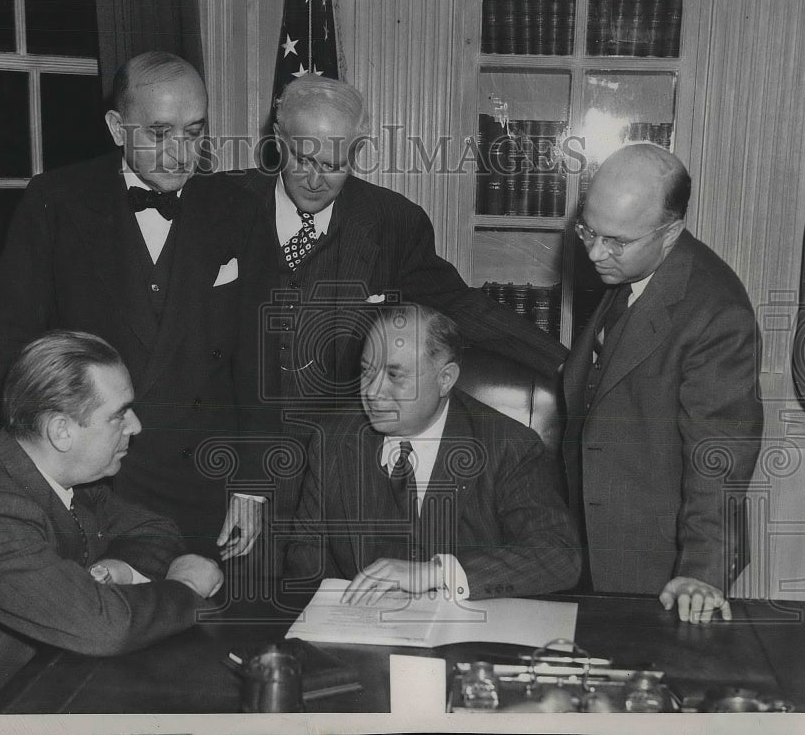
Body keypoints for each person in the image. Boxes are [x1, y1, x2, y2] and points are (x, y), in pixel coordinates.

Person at [229, 74, 569, 534]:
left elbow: (459, 307)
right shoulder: (222, 207)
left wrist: (571, 366)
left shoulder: (392, 223)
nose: (314, 179)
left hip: (340, 481)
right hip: (229, 465)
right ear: (277, 138)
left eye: (333, 164)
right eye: (301, 158)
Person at [0, 52, 264, 561]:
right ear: (117, 127)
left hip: (211, 486)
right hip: (96, 490)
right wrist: (41, 485)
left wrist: (253, 482)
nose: (181, 154)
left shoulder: (239, 209)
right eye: (159, 133)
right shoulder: (55, 201)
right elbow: (8, 351)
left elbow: (262, 360)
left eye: (195, 132)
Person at [0, 331, 224, 713]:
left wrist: (117, 569)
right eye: (119, 414)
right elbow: (105, 628)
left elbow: (155, 531)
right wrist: (186, 586)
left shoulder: (62, 476)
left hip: (22, 691)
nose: (135, 426)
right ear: (61, 431)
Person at [561, 143, 763, 624]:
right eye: (588, 230)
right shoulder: (625, 266)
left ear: (670, 233)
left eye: (615, 240)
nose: (593, 252)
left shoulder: (718, 314)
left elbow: (719, 458)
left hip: (657, 569)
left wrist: (701, 572)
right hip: (592, 544)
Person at [283, 304, 580, 602]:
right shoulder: (335, 438)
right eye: (366, 371)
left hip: (463, 633)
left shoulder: (506, 446)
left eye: (394, 375)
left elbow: (558, 556)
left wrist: (437, 574)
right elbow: (306, 560)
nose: (372, 391)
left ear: (445, 379)